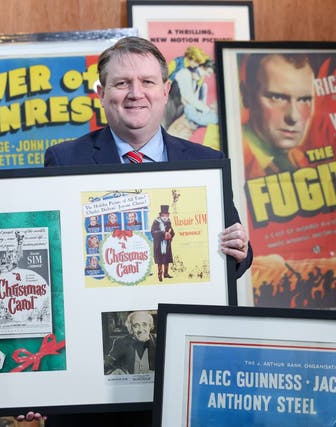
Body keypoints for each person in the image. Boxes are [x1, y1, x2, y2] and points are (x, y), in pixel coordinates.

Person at [32, 35, 252, 427]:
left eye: (147, 82)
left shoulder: (206, 161)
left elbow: (231, 263)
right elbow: (47, 271)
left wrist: (239, 249)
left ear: (166, 91)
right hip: (90, 385)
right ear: (101, 94)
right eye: (121, 83)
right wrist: (46, 374)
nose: (136, 93)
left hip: (179, 373)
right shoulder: (65, 159)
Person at [241, 53, 316, 178]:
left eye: (304, 100)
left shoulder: (299, 160)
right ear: (247, 96)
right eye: (277, 97)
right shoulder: (227, 153)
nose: (293, 117)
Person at [104, 311, 156, 375]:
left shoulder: (158, 342)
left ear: (150, 326)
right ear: (131, 328)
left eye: (144, 324)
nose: (140, 329)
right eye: (136, 326)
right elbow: (107, 364)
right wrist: (114, 371)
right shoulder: (120, 342)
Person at [151, 205, 174, 282]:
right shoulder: (156, 222)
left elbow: (172, 232)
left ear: (168, 215)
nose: (165, 217)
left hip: (166, 245)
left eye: (166, 215)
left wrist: (170, 235)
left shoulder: (168, 223)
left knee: (166, 260)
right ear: (160, 215)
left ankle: (166, 274)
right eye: (163, 215)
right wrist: (163, 233)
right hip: (159, 245)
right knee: (160, 261)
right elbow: (153, 233)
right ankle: (160, 275)